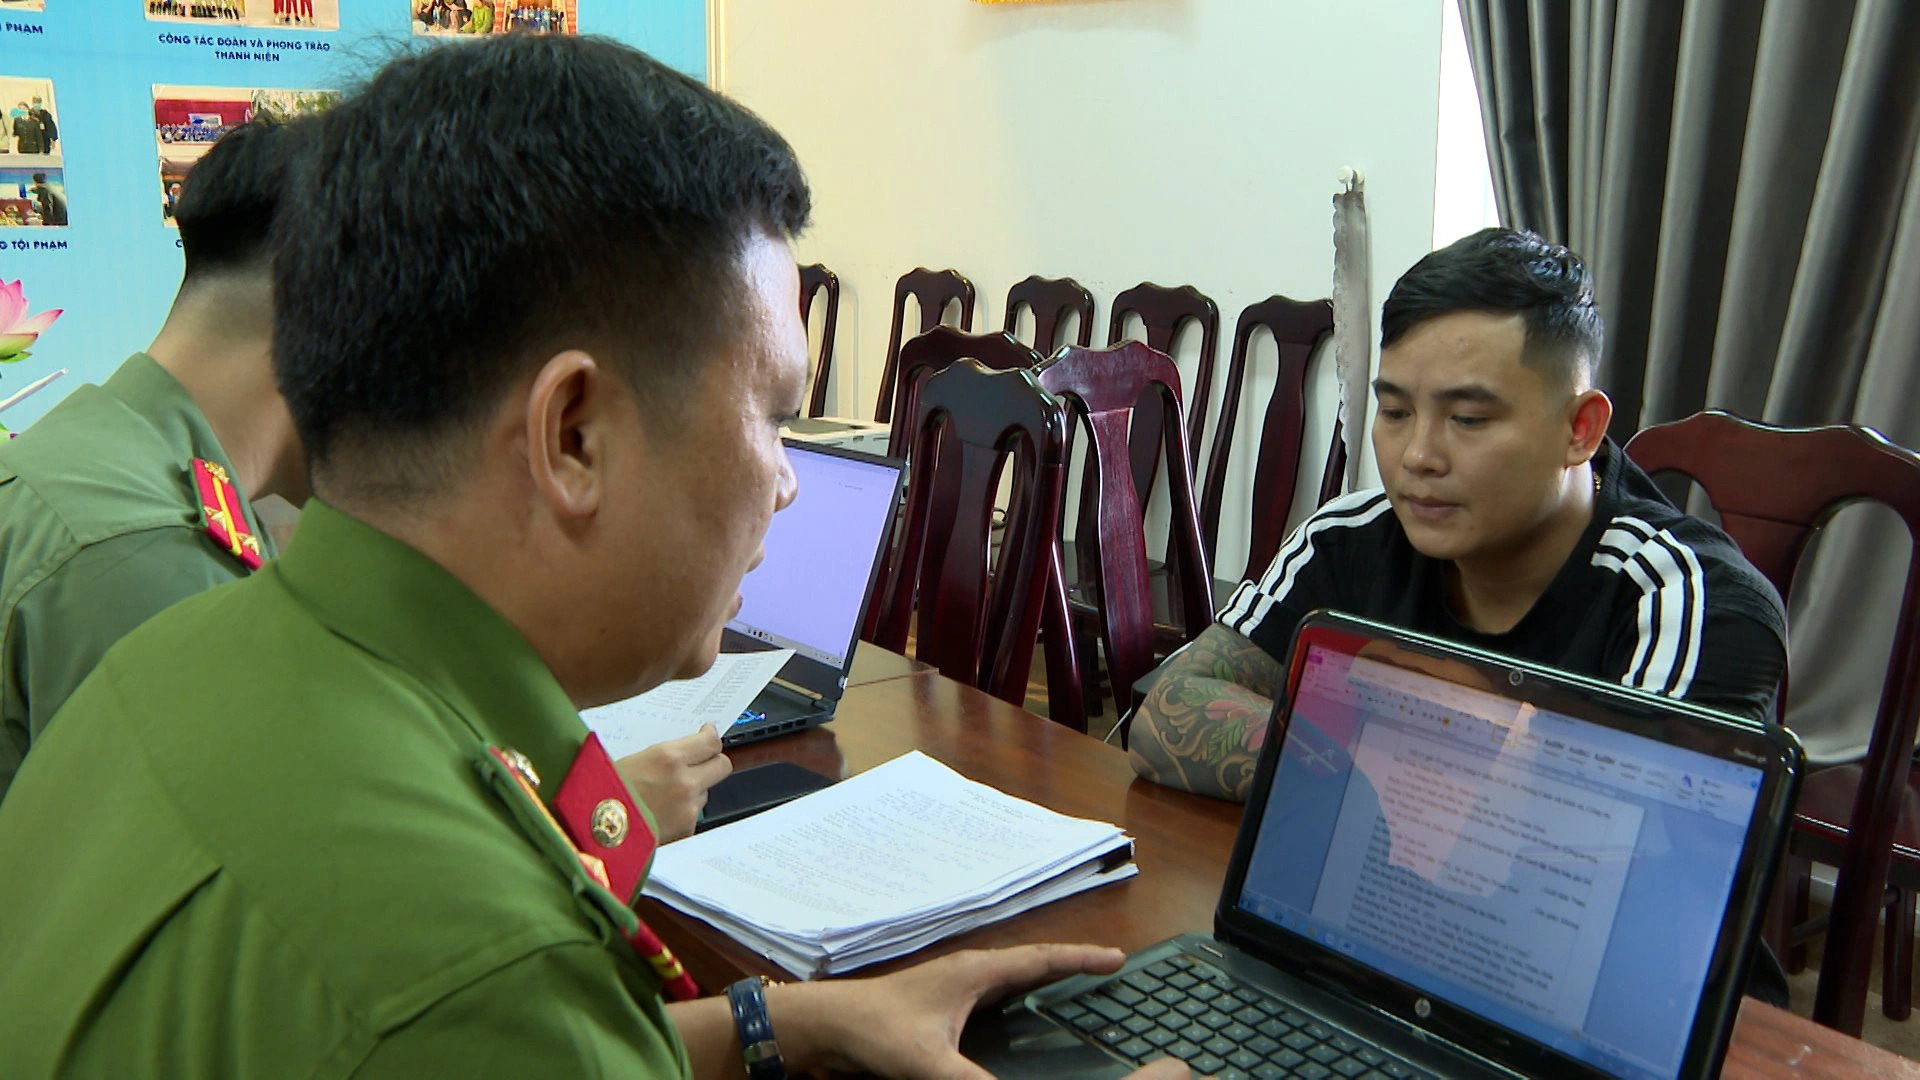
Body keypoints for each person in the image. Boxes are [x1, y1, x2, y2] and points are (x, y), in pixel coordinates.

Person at [0, 36, 1185, 1079]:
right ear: (573, 435)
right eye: (773, 416)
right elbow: (484, 1022)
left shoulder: (180, 656)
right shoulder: (477, 957)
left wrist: (794, 1021)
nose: (786, 477)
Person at [1127, 228, 1788, 805]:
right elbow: (1164, 715)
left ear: (1579, 429)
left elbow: (1605, 849)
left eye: (1468, 419)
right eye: (1394, 412)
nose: (1417, 456)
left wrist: (1361, 738)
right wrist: (1377, 762)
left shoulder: (1686, 602)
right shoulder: (1348, 537)